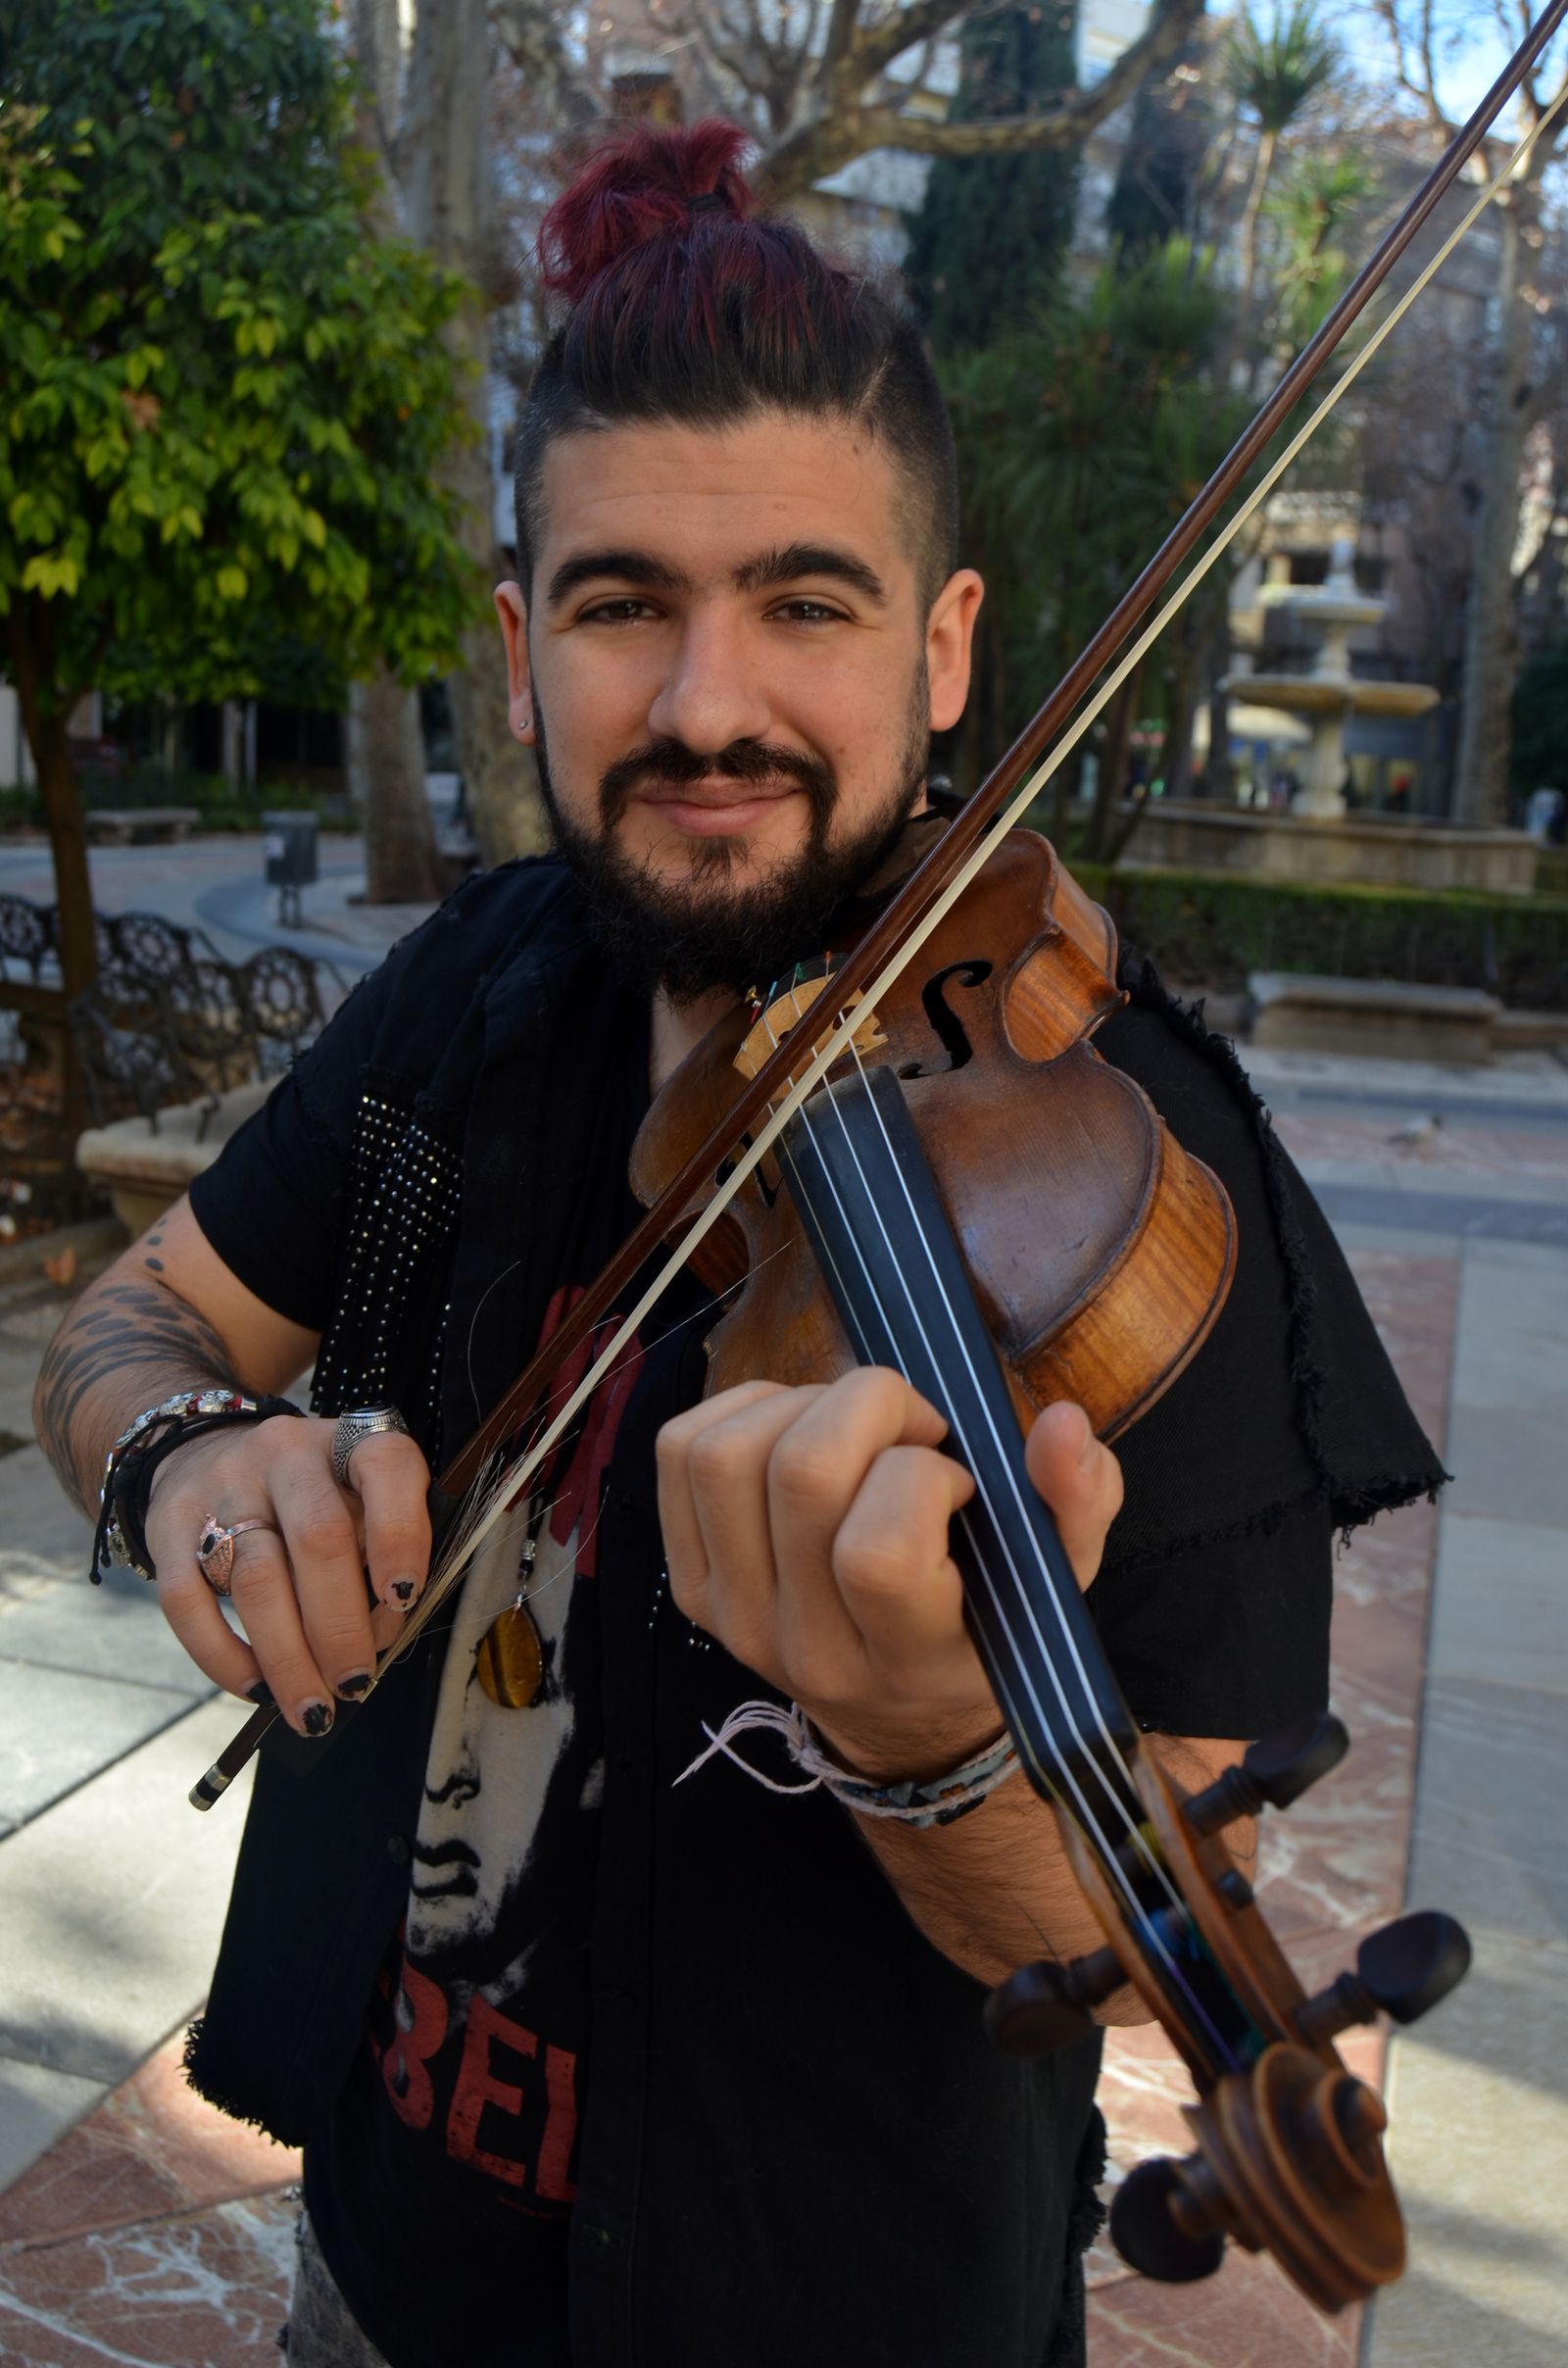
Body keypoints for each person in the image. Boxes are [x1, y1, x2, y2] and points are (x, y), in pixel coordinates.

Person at [34, 123, 1443, 2368]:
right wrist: (184, 1450)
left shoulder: (1142, 1162)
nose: (705, 706)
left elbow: (1139, 1891)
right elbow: (130, 1315)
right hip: (384, 2276)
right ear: (522, 650)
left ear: (943, 646)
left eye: (804, 602)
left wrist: (929, 1734)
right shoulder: (477, 985)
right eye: (623, 606)